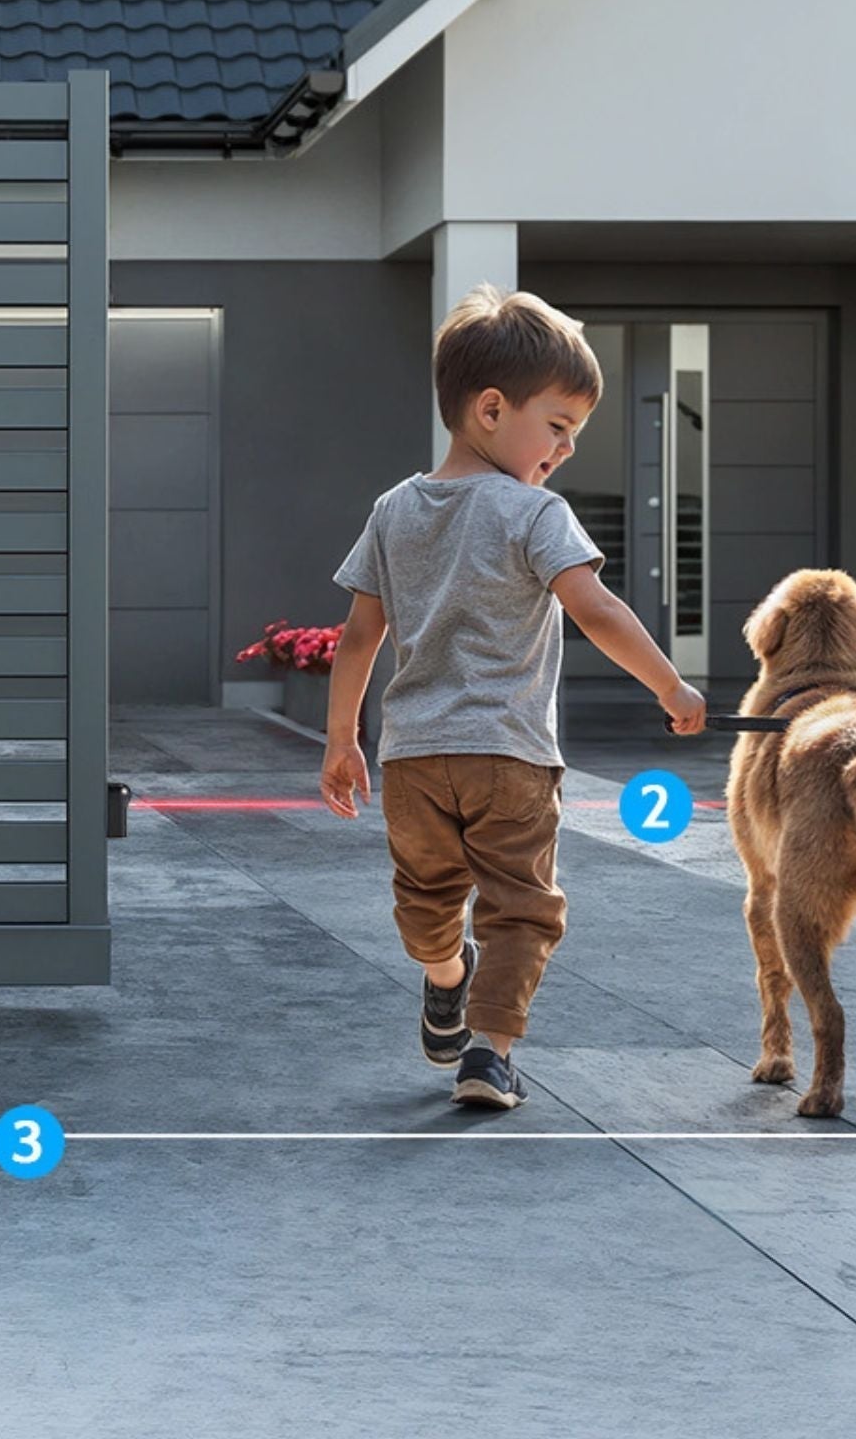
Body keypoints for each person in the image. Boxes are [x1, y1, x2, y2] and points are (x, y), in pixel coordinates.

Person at [319, 285, 707, 1109]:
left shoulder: (394, 510)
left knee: (424, 903)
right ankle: (489, 1051)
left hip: (414, 758)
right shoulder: (538, 514)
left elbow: (360, 637)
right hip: (512, 758)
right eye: (559, 426)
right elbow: (597, 609)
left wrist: (340, 739)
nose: (565, 450)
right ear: (491, 410)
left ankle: (445, 976)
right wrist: (669, 684)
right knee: (523, 910)